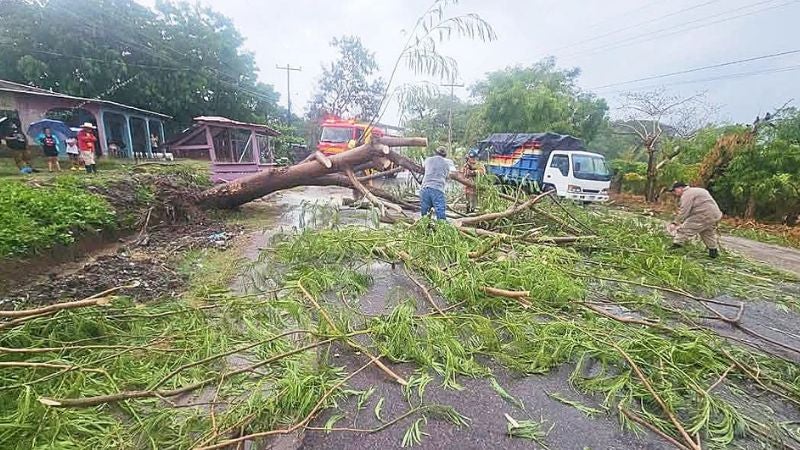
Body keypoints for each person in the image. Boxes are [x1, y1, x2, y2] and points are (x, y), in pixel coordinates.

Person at [669, 181, 723, 258]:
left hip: (703, 215)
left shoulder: (687, 194)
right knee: (707, 232)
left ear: (680, 188)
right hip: (714, 215)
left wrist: (675, 223)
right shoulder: (697, 190)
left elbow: (684, 210)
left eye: (674, 190)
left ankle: (675, 248)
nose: (674, 193)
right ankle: (713, 252)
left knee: (684, 230)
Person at [420, 146, 456, 220]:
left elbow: (423, 168)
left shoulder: (428, 160)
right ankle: (441, 228)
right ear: (445, 155)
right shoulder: (447, 163)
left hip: (425, 188)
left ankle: (425, 228)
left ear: (435, 153)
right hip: (437, 189)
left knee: (425, 213)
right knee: (440, 213)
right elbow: (448, 176)